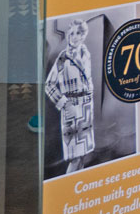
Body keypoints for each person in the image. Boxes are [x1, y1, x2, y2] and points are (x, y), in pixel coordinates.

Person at [45, 19, 95, 173]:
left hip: (86, 108)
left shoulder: (86, 54)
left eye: (78, 33)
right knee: (74, 157)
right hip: (71, 109)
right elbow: (49, 85)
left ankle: (80, 185)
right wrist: (65, 104)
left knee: (83, 155)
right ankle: (68, 186)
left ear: (83, 35)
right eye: (71, 33)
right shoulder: (63, 58)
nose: (74, 37)